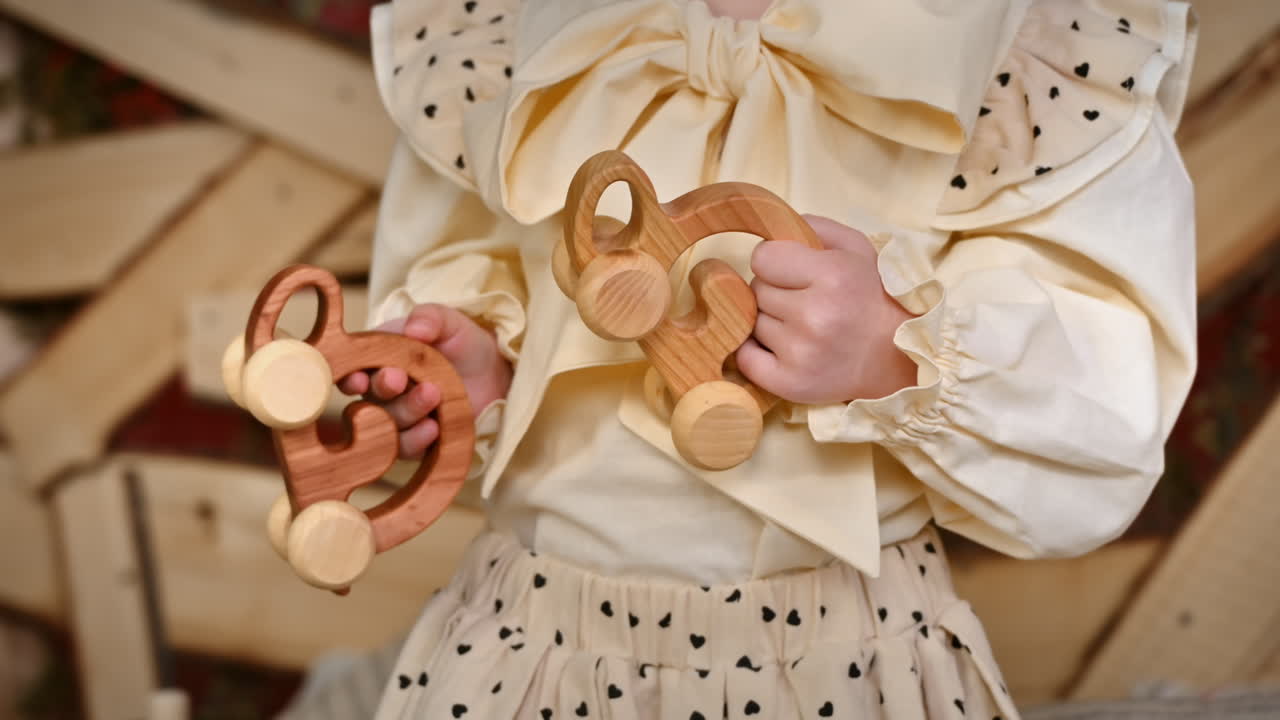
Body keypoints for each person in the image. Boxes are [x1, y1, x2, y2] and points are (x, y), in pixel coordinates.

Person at [289, 0, 1199, 716]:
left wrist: (896, 351)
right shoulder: (519, 26)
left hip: (839, 663)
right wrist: (481, 368)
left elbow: (1104, 410)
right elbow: (499, 273)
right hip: (526, 651)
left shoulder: (1015, 49)